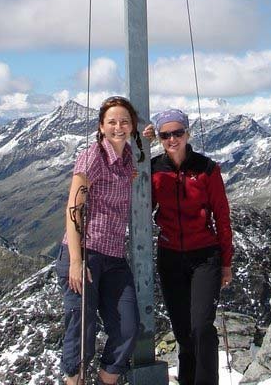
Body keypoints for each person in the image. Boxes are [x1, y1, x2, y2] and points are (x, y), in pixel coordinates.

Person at [56, 96, 143, 385]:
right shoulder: (92, 156)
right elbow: (73, 210)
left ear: (132, 126)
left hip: (115, 257)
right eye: (112, 122)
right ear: (101, 127)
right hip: (85, 252)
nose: (119, 127)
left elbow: (145, 140)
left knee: (127, 327)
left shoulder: (129, 156)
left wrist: (153, 133)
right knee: (82, 333)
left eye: (124, 121)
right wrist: (77, 262)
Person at [144, 109, 233, 385]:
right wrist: (141, 146)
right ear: (159, 138)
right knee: (183, 332)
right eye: (165, 134)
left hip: (205, 256)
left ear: (187, 133)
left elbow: (222, 216)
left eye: (178, 133)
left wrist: (226, 263)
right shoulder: (154, 169)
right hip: (170, 257)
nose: (173, 139)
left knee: (201, 327)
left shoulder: (207, 169)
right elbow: (143, 204)